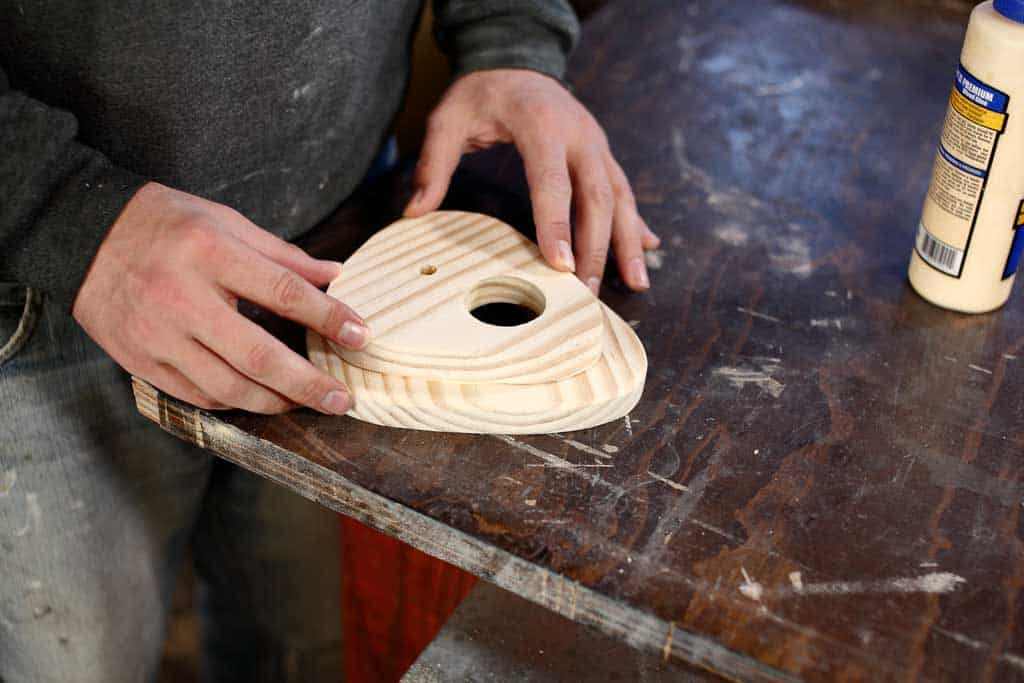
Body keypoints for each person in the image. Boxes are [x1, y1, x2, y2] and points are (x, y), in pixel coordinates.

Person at [0, 1, 659, 680]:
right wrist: (59, 211)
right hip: (54, 275)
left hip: (347, 244)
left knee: (300, 647)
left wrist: (513, 40)